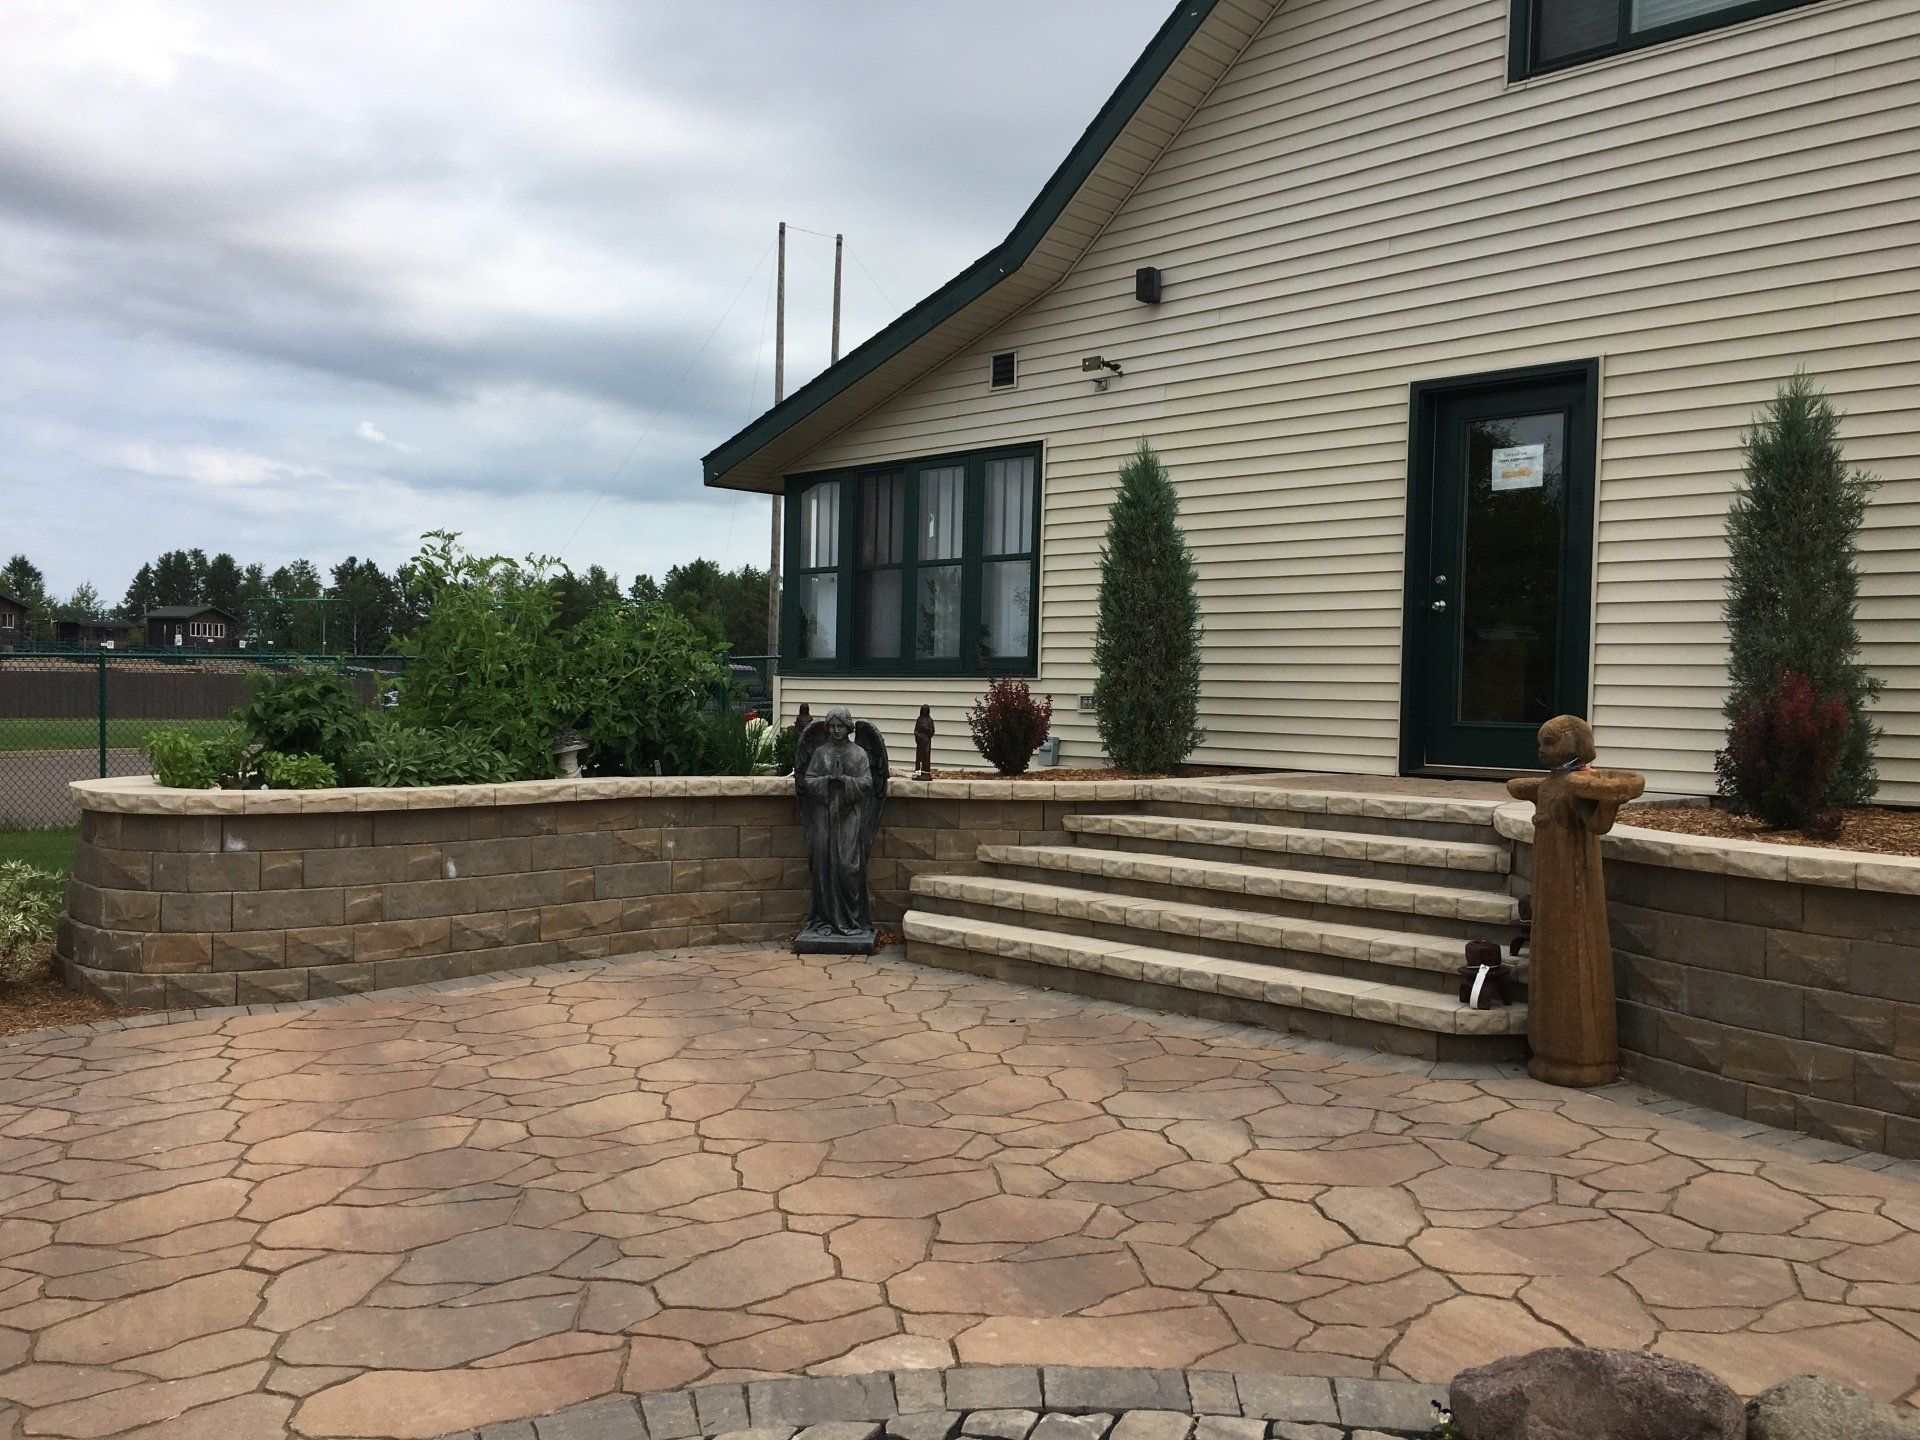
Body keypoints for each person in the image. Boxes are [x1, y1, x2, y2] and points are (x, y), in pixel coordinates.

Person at [1507, 715, 1644, 1086]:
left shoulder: (1580, 783)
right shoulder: (1552, 784)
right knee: (1550, 953)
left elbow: (1598, 825)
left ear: (1574, 742)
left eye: (1549, 742)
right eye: (1540, 743)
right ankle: (1546, 1051)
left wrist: (1609, 802)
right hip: (1549, 885)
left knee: (1577, 952)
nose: (1541, 750)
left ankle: (1584, 1059)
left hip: (1575, 884)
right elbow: (1518, 787)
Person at [799, 707, 876, 939]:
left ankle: (852, 918)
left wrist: (845, 782)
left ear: (848, 727)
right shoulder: (820, 753)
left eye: (840, 726)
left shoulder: (859, 754)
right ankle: (825, 919)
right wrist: (827, 781)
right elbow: (808, 781)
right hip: (824, 814)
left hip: (849, 814)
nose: (836, 730)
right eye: (832, 726)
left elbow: (868, 782)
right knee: (823, 865)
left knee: (847, 866)